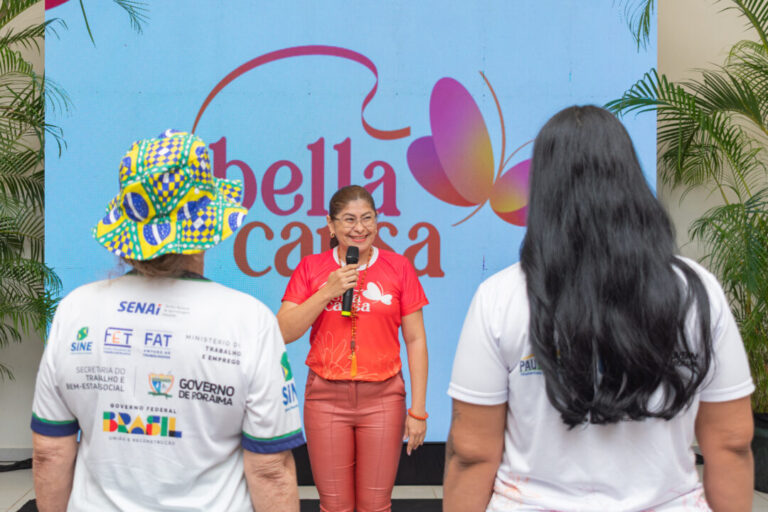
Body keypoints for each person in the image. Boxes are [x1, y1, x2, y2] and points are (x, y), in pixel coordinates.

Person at [444, 106, 755, 511]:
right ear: (629, 179)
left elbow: (471, 454)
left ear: (543, 189)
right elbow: (730, 444)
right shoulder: (697, 291)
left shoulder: (500, 297)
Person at [30, 130, 304, 512]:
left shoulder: (75, 310)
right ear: (207, 224)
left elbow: (49, 452)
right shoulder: (249, 321)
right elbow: (270, 469)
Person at [277, 185, 429, 512]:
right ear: (331, 226)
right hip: (325, 397)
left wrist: (418, 409)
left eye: (367, 218)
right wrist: (327, 291)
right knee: (335, 506)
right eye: (348, 220)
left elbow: (415, 340)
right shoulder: (311, 268)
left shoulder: (399, 267)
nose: (359, 228)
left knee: (376, 505)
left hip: (384, 398)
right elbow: (283, 331)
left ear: (377, 222)